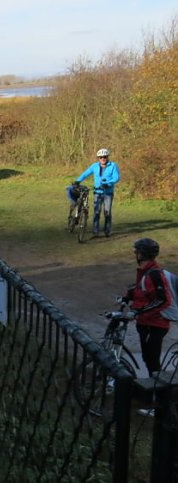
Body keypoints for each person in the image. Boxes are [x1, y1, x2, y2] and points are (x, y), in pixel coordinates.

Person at [124, 238, 173, 380]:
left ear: (143, 254)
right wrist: (127, 297)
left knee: (152, 360)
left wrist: (139, 311)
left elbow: (163, 300)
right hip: (145, 323)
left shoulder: (154, 273)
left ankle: (160, 394)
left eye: (137, 251)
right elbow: (142, 290)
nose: (135, 253)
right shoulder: (145, 271)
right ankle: (154, 387)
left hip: (156, 324)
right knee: (147, 358)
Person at [75, 147, 120, 237]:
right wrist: (78, 181)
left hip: (108, 193)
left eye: (104, 157)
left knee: (107, 212)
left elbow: (116, 177)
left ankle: (107, 231)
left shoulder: (113, 165)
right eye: (101, 157)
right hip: (97, 192)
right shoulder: (94, 166)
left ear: (107, 157)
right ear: (98, 158)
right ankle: (95, 231)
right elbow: (85, 173)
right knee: (96, 212)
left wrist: (108, 183)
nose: (103, 159)